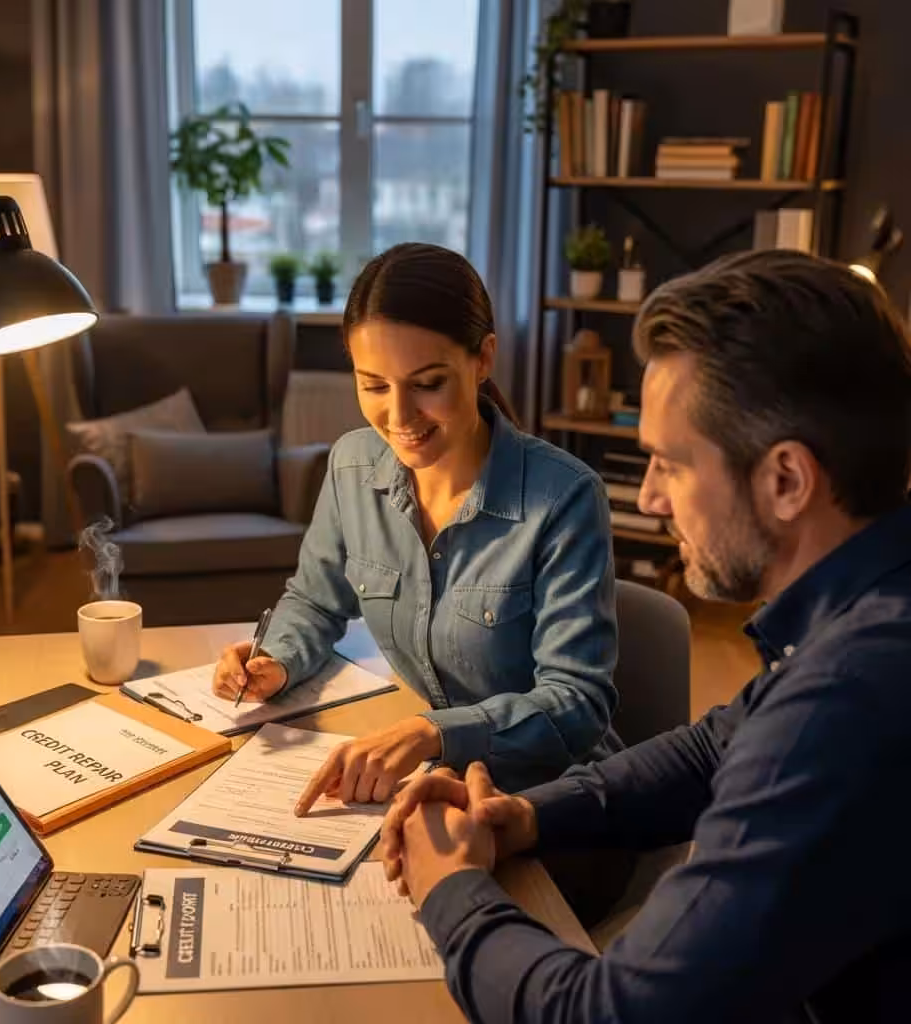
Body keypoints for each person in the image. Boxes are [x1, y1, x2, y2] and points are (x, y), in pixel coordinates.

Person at [380, 249, 911, 1023]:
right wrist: (525, 816)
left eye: (668, 463)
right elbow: (713, 749)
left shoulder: (849, 699)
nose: (651, 499)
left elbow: (605, 1014)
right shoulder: (863, 604)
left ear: (787, 481)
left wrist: (448, 889)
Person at [213, 242, 619, 809]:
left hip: (549, 798)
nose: (398, 418)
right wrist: (274, 661)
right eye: (374, 386)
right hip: (430, 779)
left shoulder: (564, 498)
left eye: (428, 383)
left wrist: (434, 732)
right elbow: (315, 600)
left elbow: (578, 703)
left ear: (483, 359)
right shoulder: (351, 467)